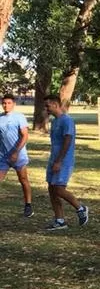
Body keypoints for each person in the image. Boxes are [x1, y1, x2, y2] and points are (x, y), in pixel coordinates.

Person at [44, 95, 89, 232]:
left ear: (55, 105)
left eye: (48, 106)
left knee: (59, 189)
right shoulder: (55, 121)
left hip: (64, 160)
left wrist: (59, 161)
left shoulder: (67, 121)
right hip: (54, 159)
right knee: (52, 189)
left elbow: (67, 141)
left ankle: (80, 208)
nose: (46, 109)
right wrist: (53, 159)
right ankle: (60, 220)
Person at [0, 93, 33, 217]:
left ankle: (28, 205)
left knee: (23, 180)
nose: (6, 105)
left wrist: (16, 152)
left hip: (18, 155)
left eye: (9, 103)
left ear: (14, 104)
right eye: (4, 103)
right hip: (3, 156)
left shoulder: (19, 117)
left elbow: (25, 135)